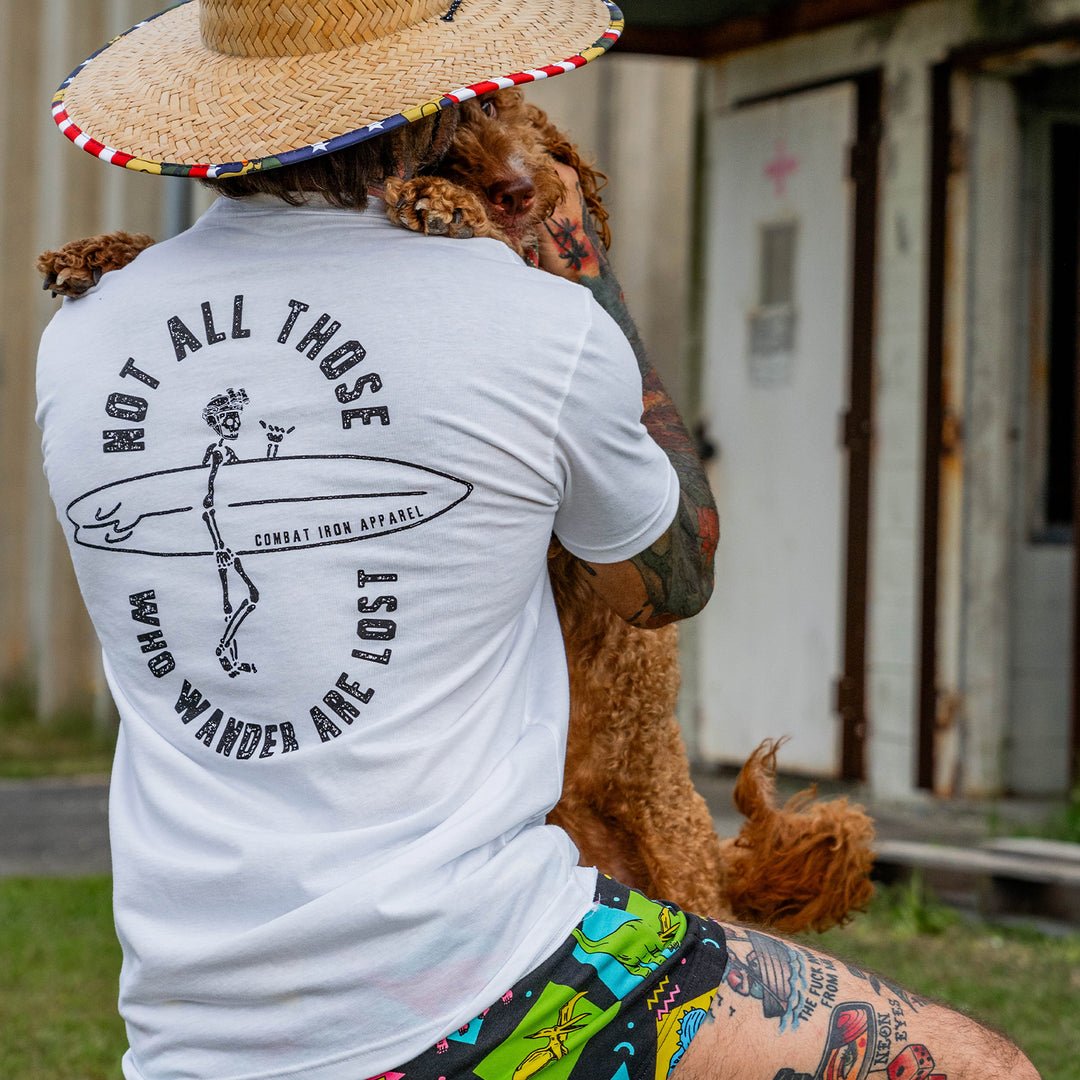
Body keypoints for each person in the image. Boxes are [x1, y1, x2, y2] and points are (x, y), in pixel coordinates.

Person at [37, 2, 1040, 1079]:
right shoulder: (534, 320)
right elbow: (670, 579)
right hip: (482, 978)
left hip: (191, 1026)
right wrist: (585, 272)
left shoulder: (83, 330)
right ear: (436, 105)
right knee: (978, 1066)